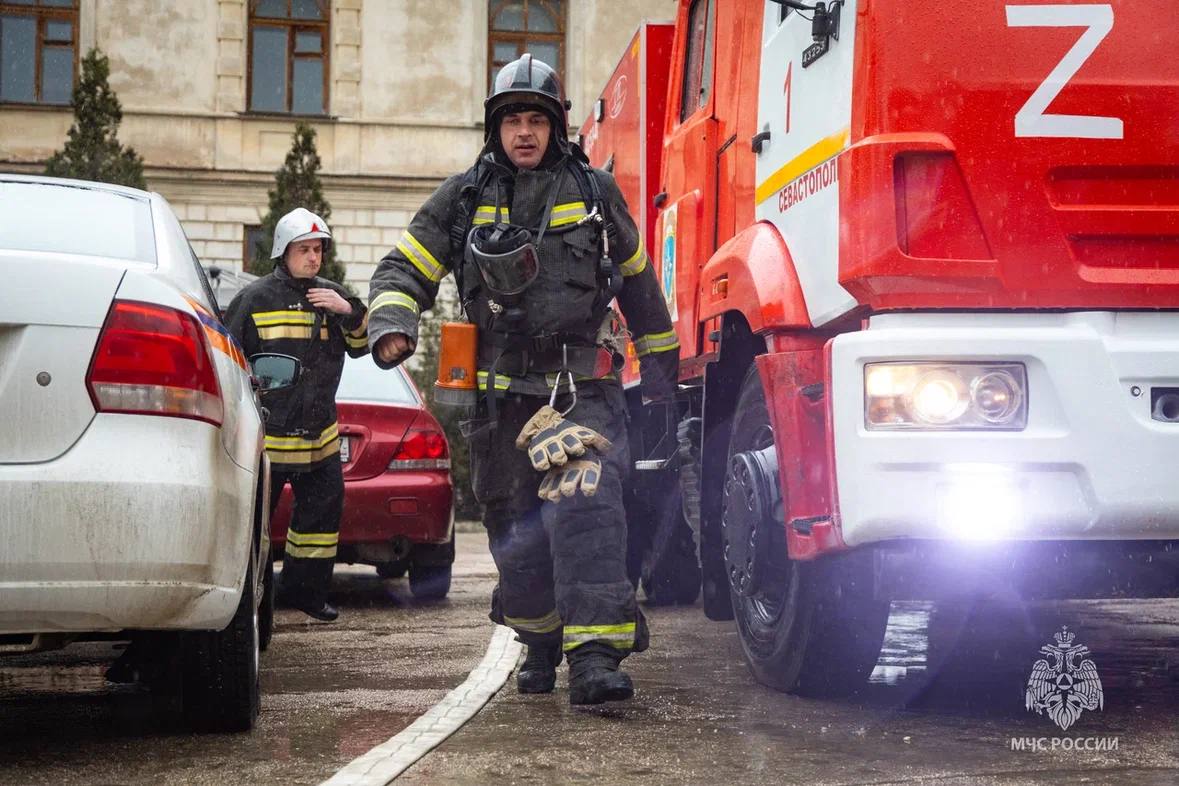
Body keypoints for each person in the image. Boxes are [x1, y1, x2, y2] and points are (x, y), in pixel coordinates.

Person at [367, 54, 678, 705]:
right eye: (513, 120)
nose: (525, 132)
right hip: (500, 405)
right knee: (519, 540)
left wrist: (661, 373)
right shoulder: (463, 199)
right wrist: (392, 321)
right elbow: (405, 266)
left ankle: (595, 659)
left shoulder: (593, 192)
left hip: (577, 395)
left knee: (587, 513)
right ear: (495, 128)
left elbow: (643, 288)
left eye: (537, 119)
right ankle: (538, 643)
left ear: (556, 127)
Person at [224, 207, 369, 622]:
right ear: (283, 252)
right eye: (304, 250)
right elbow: (230, 358)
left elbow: (361, 347)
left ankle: (307, 593)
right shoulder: (255, 298)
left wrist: (349, 311)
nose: (313, 258)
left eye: (318, 250)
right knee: (255, 529)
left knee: (320, 523)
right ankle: (253, 603)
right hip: (267, 441)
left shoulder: (332, 296)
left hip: (320, 438)